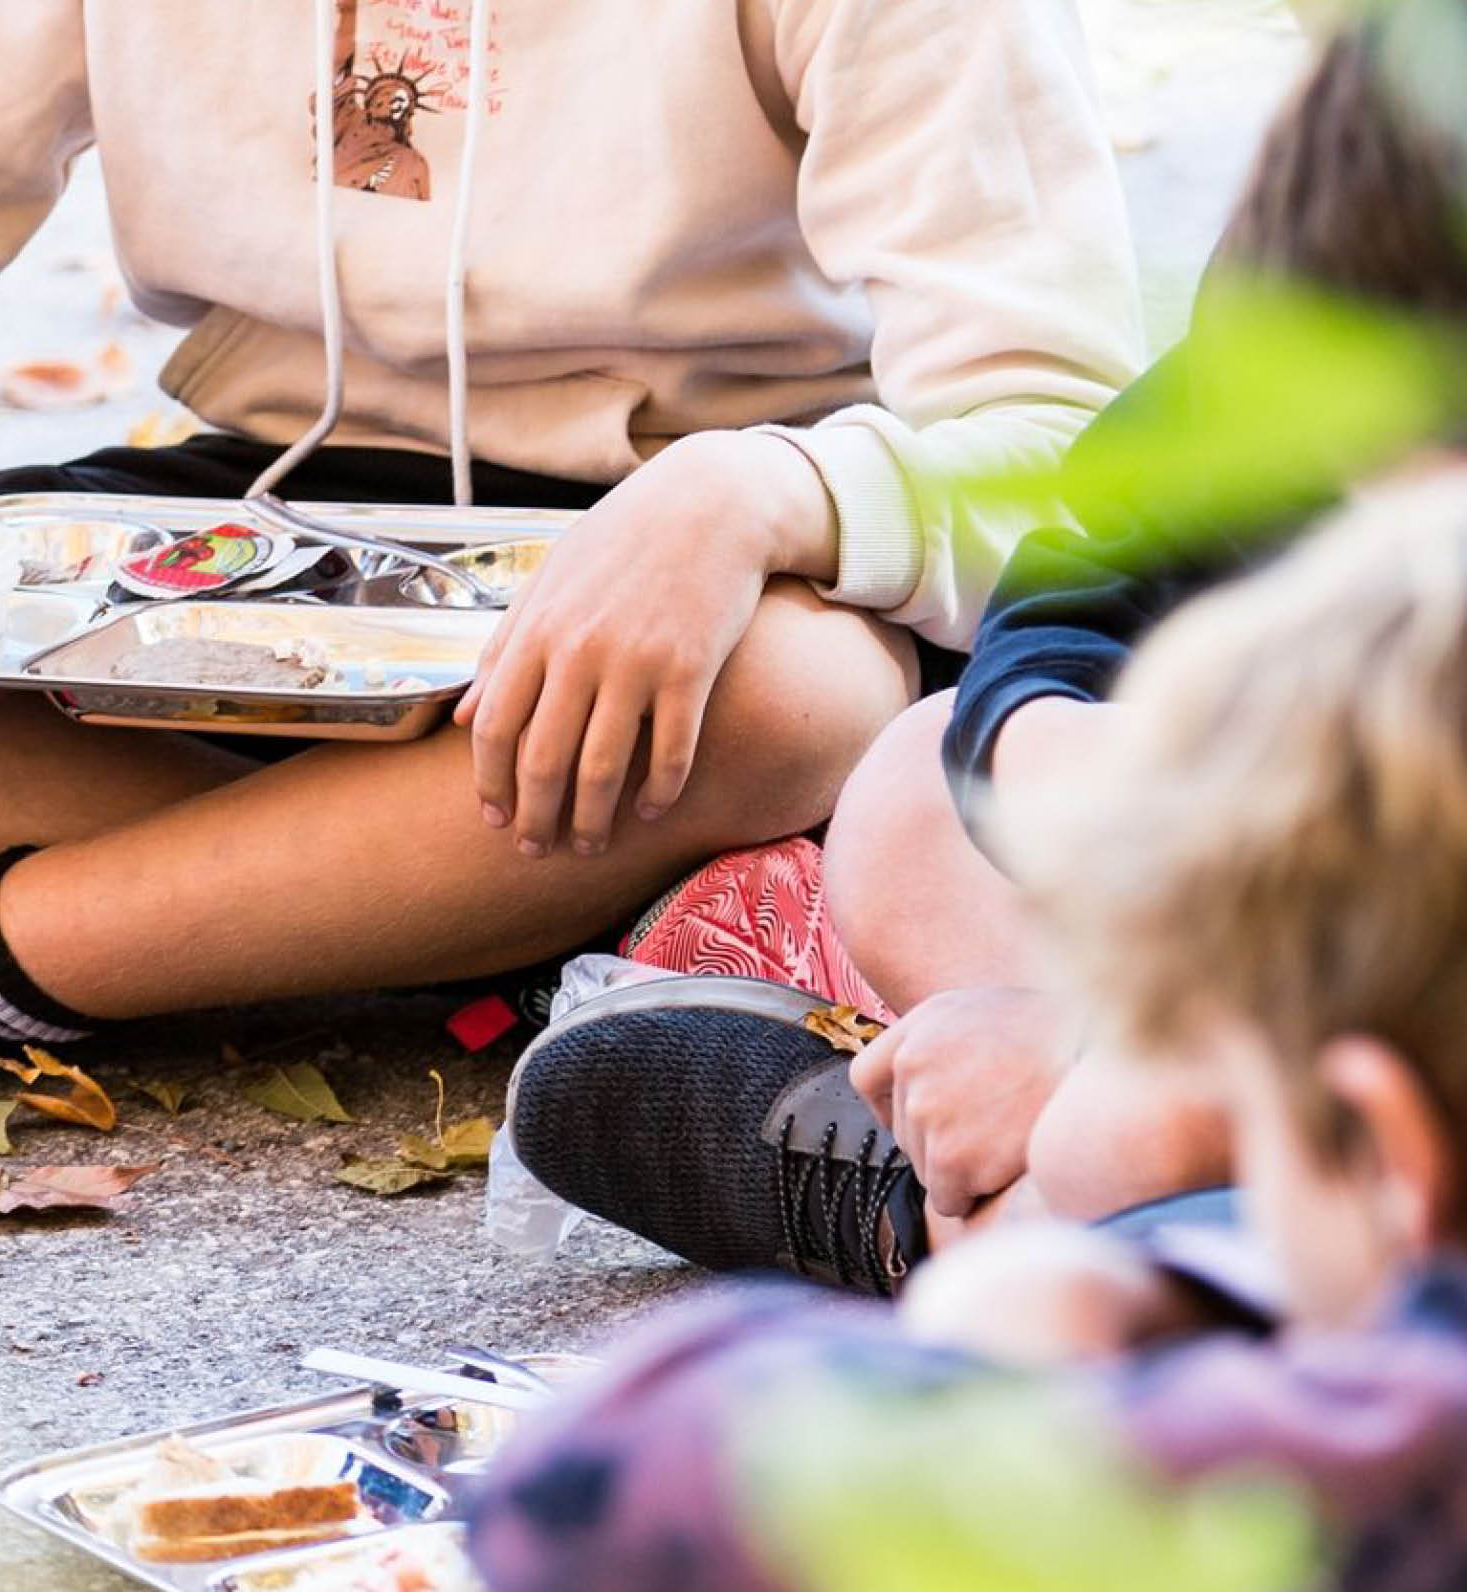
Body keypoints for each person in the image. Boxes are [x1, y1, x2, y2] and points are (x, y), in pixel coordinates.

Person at [0, 0, 1141, 1107]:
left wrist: (751, 495)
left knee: (794, 699)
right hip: (253, 517)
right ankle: (458, 902)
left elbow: (1060, 431)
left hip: (687, 546)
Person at [470, 472, 1467, 1592]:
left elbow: (578, 1510)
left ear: (1370, 1143)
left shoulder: (1358, 1460)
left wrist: (992, 1334)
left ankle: (931, 1228)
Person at [505, 0, 1467, 1291]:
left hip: (1366, 1055)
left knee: (1117, 1135)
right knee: (915, 792)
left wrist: (1106, 1062)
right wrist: (1040, 740)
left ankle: (962, 1228)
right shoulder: (1315, 318)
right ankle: (1092, 1199)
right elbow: (1069, 592)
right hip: (1310, 967)